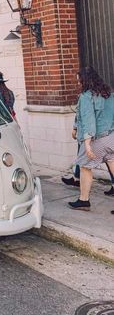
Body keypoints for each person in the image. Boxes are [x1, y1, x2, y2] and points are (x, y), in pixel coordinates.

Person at [68, 66, 114, 211]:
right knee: (112, 163)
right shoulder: (108, 93)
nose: (78, 84)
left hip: (96, 139)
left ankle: (83, 200)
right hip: (111, 136)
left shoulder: (86, 96)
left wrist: (87, 144)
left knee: (85, 167)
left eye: (79, 81)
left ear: (85, 81)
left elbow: (89, 121)